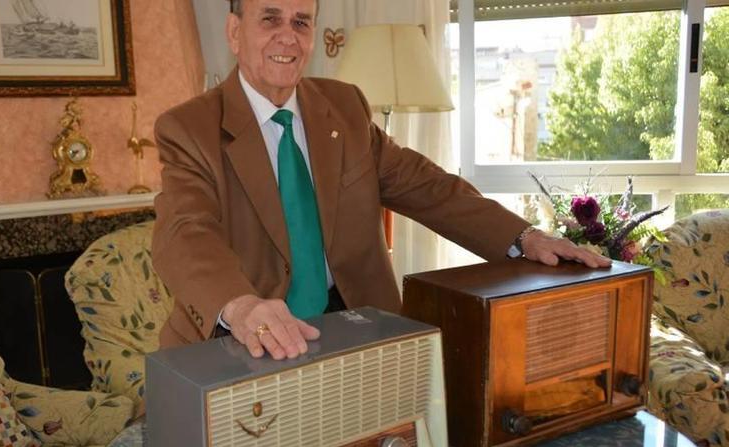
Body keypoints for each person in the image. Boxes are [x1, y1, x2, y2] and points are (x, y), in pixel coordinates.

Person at [152, 0, 610, 360]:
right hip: (244, 338)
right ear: (235, 31)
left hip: (356, 325)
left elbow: (427, 186)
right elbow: (185, 232)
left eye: (301, 22)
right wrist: (241, 305)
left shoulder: (344, 106)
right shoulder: (189, 128)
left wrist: (524, 237)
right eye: (270, 19)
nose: (287, 37)